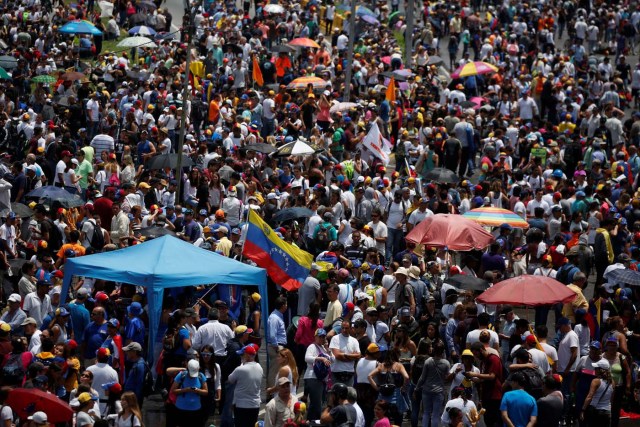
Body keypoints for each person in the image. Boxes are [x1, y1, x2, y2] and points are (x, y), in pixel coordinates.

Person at [415, 339, 451, 427]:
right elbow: (447, 378)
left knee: (426, 413)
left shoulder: (428, 361)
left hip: (426, 390)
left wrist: (416, 388)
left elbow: (422, 378)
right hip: (439, 392)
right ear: (443, 351)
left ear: (434, 350)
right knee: (435, 415)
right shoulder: (446, 363)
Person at [228, 344, 263, 427]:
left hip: (241, 405)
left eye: (242, 355)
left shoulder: (240, 369)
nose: (241, 357)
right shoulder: (259, 367)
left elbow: (230, 379)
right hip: (255, 405)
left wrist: (241, 365)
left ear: (247, 356)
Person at [304, 328, 334, 421]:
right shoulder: (312, 347)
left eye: (323, 337)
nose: (321, 339)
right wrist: (320, 359)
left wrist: (328, 350)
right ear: (315, 337)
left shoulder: (323, 348)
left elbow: (333, 359)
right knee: (316, 404)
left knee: (318, 403)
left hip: (321, 379)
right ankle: (313, 421)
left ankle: (313, 421)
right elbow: (307, 358)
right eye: (320, 337)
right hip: (313, 377)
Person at [170, 359, 209, 427]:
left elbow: (206, 392)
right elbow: (173, 390)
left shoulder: (201, 376)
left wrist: (197, 390)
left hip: (196, 409)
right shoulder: (181, 375)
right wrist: (185, 390)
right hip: (181, 409)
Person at [580, 359, 614, 427]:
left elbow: (589, 397)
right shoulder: (612, 382)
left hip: (596, 411)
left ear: (601, 370)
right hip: (607, 411)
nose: (594, 369)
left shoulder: (596, 381)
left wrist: (583, 410)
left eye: (596, 368)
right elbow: (611, 399)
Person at [329, 320, 361, 387]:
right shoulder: (335, 338)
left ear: (350, 328)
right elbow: (337, 355)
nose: (344, 330)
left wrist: (344, 354)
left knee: (348, 395)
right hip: (336, 372)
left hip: (349, 372)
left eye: (346, 328)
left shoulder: (354, 341)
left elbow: (358, 356)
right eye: (342, 328)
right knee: (336, 395)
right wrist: (352, 357)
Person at [267, 297, 288, 387]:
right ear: (283, 305)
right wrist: (277, 347)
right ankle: (271, 391)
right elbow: (272, 335)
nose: (287, 306)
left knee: (278, 369)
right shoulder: (274, 318)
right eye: (286, 304)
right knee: (274, 370)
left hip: (278, 346)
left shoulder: (278, 316)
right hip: (276, 347)